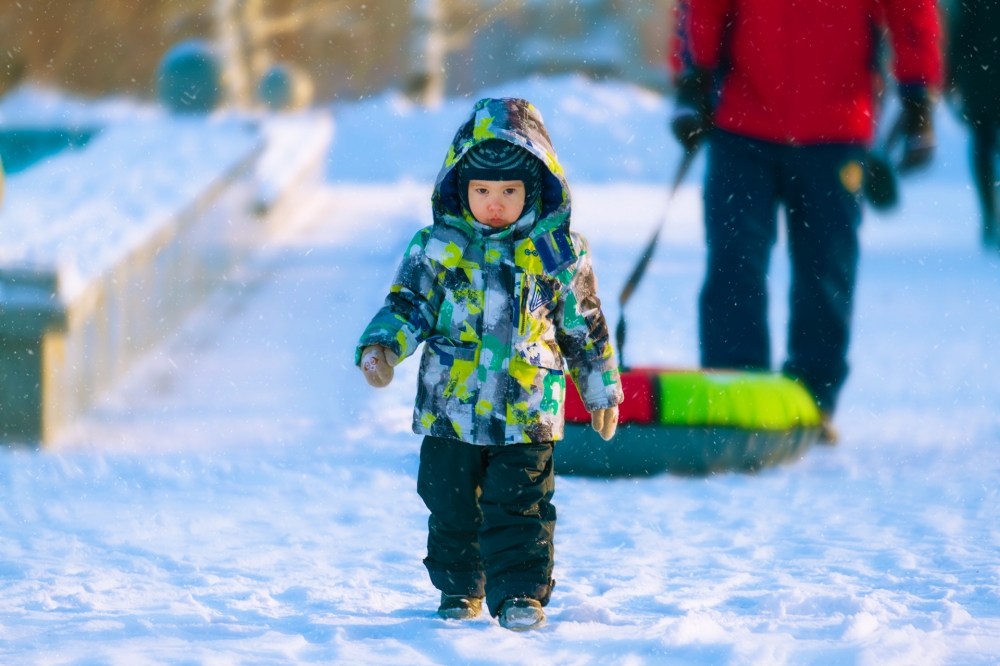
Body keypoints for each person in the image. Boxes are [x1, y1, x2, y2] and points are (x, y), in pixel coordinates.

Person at [356, 97, 623, 630]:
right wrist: (383, 346)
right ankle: (459, 587)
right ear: (461, 188)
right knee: (449, 503)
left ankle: (520, 593)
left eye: (509, 191)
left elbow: (582, 325)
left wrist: (601, 390)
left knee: (520, 503)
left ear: (535, 189)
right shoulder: (438, 249)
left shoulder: (557, 252)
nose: (495, 204)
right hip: (450, 408)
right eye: (482, 191)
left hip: (526, 411)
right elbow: (409, 304)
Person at [670, 0, 941, 441]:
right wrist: (693, 79)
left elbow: (911, 11)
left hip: (837, 127)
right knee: (734, 260)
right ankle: (737, 393)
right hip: (743, 122)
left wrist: (918, 96)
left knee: (826, 270)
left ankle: (812, 401)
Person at [947, 0, 1000, 249]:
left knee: (983, 143)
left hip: (979, 74)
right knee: (983, 142)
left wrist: (950, 74)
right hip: (980, 73)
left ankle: (990, 211)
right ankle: (991, 212)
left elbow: (958, 31)